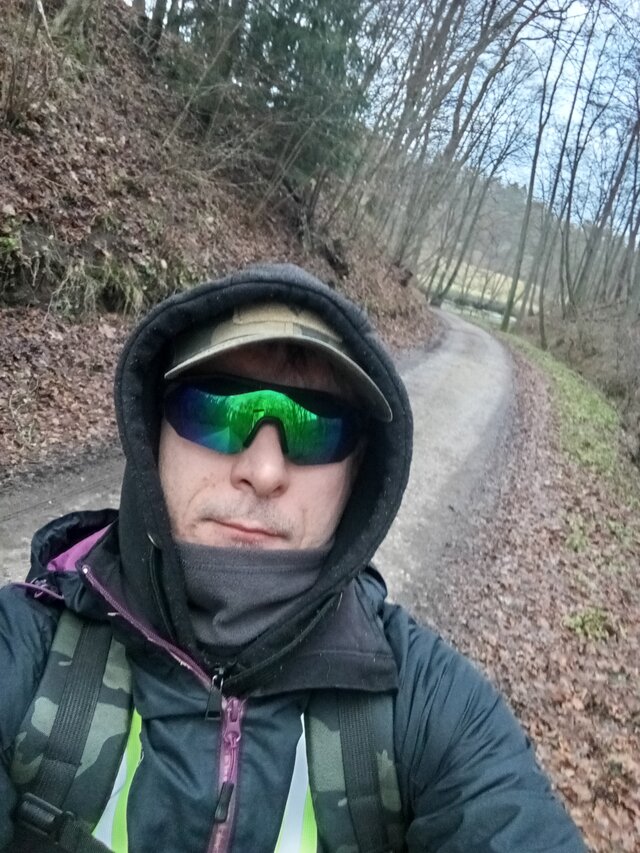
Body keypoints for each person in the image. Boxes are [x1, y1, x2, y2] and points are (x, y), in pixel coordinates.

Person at [0, 263, 585, 852]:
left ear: (357, 473)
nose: (264, 471)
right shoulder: (24, 651)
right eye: (216, 410)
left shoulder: (431, 708)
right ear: (154, 433)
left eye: (316, 429)